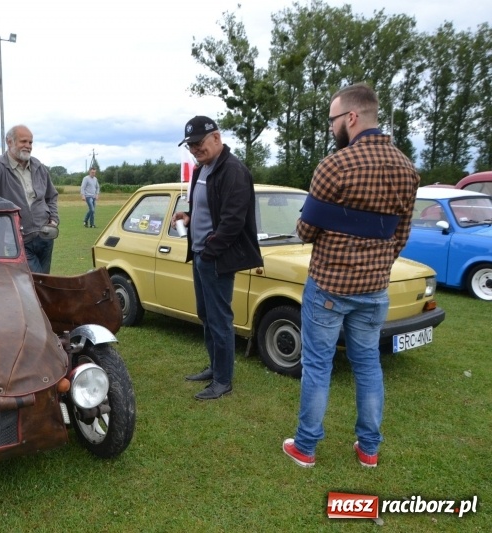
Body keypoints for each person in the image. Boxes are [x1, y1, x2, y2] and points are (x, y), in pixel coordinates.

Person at [282, 83, 420, 469]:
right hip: (375, 290)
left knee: (318, 365)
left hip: (329, 287)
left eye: (333, 120)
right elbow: (400, 236)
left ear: (352, 118)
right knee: (368, 366)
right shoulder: (408, 169)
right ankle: (369, 449)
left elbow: (305, 232)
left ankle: (306, 447)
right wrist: (373, 262)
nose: (331, 128)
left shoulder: (334, 166)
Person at [171, 116, 263, 400]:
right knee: (206, 314)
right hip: (200, 254)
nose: (195, 149)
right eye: (190, 146)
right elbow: (207, 209)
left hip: (216, 258)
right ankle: (214, 367)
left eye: (199, 143)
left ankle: (223, 380)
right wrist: (187, 217)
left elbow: (233, 222)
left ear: (216, 138)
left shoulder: (233, 171)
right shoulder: (202, 169)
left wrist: (210, 253)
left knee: (220, 318)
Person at [0, 124, 60, 273]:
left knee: (45, 282)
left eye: (30, 142)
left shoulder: (38, 166)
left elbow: (52, 196)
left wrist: (54, 220)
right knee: (33, 282)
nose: (28, 146)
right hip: (18, 239)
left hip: (45, 236)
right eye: (23, 141)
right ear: (9, 142)